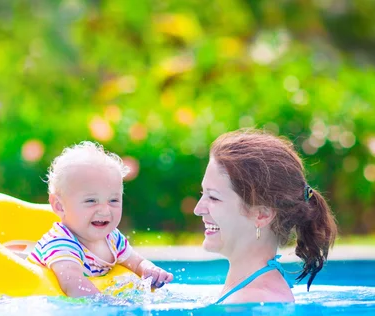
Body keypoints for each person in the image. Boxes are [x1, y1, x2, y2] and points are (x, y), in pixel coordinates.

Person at [193, 129, 337, 304]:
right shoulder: (249, 290)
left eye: (214, 197)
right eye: (203, 193)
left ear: (261, 214)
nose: (198, 209)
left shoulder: (253, 301)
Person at [26, 141, 173, 297]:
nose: (104, 210)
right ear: (60, 206)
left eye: (113, 200)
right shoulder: (60, 242)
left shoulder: (112, 238)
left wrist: (150, 270)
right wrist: (106, 305)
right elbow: (73, 284)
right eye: (91, 201)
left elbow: (136, 263)